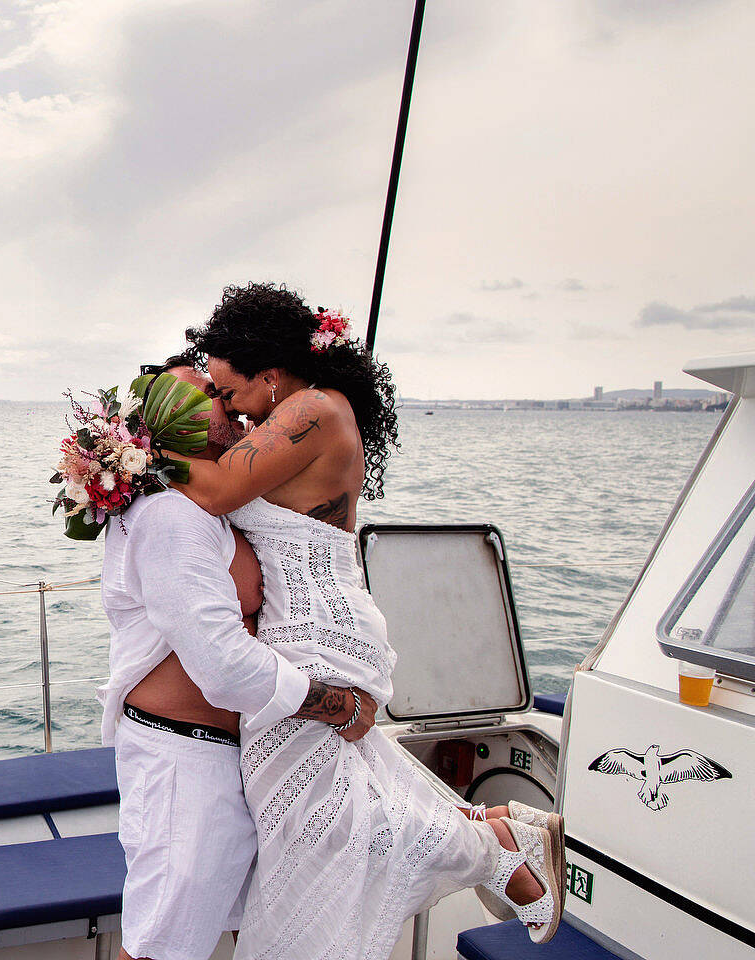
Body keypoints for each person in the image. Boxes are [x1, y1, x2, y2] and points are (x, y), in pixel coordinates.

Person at [173, 283, 564, 956]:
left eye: (231, 393)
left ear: (270, 378)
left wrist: (122, 451)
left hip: (318, 632)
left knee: (309, 820)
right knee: (314, 811)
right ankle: (492, 838)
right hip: (302, 631)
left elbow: (215, 490)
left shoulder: (315, 411)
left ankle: (491, 846)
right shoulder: (295, 415)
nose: (229, 408)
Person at [100, 364, 375, 960]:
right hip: (181, 759)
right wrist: (333, 704)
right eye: (208, 395)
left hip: (223, 754)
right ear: (175, 418)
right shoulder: (170, 517)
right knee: (159, 950)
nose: (229, 403)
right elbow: (221, 664)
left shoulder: (209, 504)